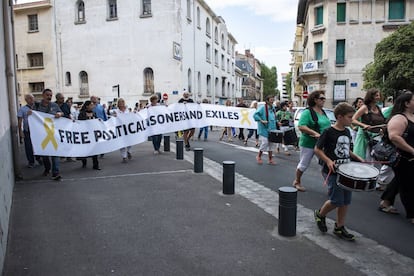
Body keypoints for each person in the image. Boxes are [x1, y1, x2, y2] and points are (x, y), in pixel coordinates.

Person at [314, 102, 364, 241]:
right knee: (336, 200)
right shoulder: (328, 132)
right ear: (340, 117)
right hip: (332, 171)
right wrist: (328, 161)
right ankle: (320, 214)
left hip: (346, 171)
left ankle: (339, 227)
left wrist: (356, 156)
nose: (352, 119)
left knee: (346, 200)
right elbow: (317, 149)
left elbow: (346, 149)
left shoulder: (347, 131)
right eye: (349, 117)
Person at [293, 90, 331, 192]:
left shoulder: (323, 113)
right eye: (321, 98)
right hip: (309, 143)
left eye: (324, 98)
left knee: (326, 164)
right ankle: (297, 181)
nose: (324, 100)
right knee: (304, 164)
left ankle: (331, 186)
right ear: (315, 100)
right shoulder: (307, 112)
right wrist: (314, 133)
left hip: (322, 144)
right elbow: (301, 126)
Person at [386, 90, 414, 224]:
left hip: (410, 158)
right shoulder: (399, 118)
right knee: (408, 186)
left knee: (399, 181)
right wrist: (412, 150)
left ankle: (385, 202)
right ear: (407, 103)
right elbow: (394, 137)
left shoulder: (412, 116)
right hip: (403, 158)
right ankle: (412, 214)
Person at [30, 88, 64, 180]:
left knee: (55, 153)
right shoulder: (36, 106)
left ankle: (55, 173)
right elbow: (31, 115)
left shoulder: (54, 105)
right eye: (47, 95)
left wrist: (59, 114)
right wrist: (30, 113)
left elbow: (62, 113)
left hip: (53, 134)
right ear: (43, 95)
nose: (49, 97)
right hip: (42, 135)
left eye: (50, 95)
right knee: (45, 154)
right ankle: (47, 168)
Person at [352, 88, 385, 160]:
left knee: (376, 159)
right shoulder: (364, 107)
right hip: (365, 137)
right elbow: (353, 119)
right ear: (371, 96)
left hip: (376, 137)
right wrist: (363, 125)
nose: (378, 97)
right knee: (364, 159)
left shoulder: (378, 108)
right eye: (376, 95)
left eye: (379, 95)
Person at [253, 95, 278, 165]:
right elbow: (255, 115)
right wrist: (261, 120)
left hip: (272, 128)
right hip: (264, 128)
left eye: (273, 99)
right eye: (271, 99)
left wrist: (277, 122)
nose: (272, 101)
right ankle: (258, 156)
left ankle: (270, 159)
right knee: (265, 143)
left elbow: (274, 117)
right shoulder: (262, 108)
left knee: (271, 144)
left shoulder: (273, 108)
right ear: (267, 101)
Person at [17, 94, 40, 168]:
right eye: (30, 98)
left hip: (37, 131)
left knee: (38, 145)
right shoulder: (22, 109)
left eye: (32, 98)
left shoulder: (37, 108)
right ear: (26, 100)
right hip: (27, 131)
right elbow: (20, 121)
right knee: (28, 147)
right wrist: (20, 132)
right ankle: (31, 162)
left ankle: (39, 158)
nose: (32, 100)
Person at [77, 101, 100, 170]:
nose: (92, 106)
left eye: (93, 105)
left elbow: (96, 121)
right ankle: (84, 162)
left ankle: (96, 165)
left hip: (92, 134)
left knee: (95, 149)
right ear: (87, 106)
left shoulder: (94, 113)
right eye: (91, 105)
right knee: (85, 149)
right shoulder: (82, 113)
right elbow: (79, 123)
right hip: (85, 134)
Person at [112, 98, 132, 162]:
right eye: (120, 103)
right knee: (122, 143)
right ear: (118, 104)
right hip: (120, 129)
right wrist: (114, 116)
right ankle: (124, 157)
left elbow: (131, 117)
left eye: (122, 102)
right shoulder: (116, 111)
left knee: (129, 141)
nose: (121, 104)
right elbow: (113, 118)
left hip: (128, 128)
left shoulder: (127, 110)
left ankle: (129, 151)